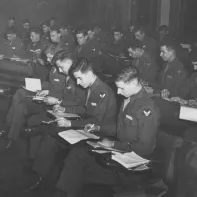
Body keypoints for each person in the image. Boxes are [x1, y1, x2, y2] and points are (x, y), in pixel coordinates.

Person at [54, 65, 160, 197]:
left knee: (77, 168)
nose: (118, 92)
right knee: (77, 155)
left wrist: (113, 145)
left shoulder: (146, 107)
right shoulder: (129, 98)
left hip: (130, 166)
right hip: (120, 154)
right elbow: (121, 128)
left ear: (134, 83)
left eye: (121, 88)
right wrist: (99, 128)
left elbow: (145, 147)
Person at [26, 57, 117, 191]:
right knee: (50, 138)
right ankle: (40, 175)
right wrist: (64, 110)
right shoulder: (91, 87)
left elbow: (95, 121)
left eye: (80, 78)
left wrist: (70, 123)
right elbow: (84, 110)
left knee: (70, 151)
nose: (78, 83)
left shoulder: (101, 91)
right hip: (86, 127)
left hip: (98, 133)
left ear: (90, 73)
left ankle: (63, 190)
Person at [0, 47, 66, 149]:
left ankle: (6, 129)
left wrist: (47, 91)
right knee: (19, 98)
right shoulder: (53, 68)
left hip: (51, 103)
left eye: (50, 57)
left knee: (19, 97)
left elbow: (63, 92)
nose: (47, 60)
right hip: (44, 97)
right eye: (47, 57)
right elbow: (50, 84)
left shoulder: (63, 71)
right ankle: (10, 136)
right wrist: (39, 87)